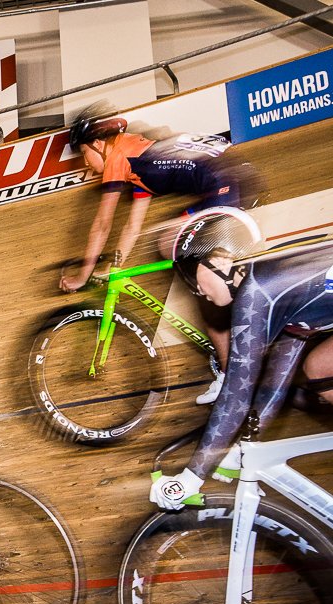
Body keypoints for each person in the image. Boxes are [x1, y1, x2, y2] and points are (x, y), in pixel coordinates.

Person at [60, 102, 260, 404]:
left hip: (226, 185)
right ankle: (235, 303)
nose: (85, 163)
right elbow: (132, 226)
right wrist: (114, 266)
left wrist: (83, 275)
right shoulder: (135, 160)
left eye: (84, 154)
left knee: (191, 266)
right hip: (229, 180)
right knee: (170, 244)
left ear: (98, 144)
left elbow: (102, 225)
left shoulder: (118, 157)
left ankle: (231, 370)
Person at [149, 212, 333, 510]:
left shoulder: (258, 293)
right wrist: (243, 446)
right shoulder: (272, 279)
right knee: (319, 366)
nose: (196, 290)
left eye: (191, 275)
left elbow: (237, 392)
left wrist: (191, 477)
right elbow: (275, 383)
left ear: (221, 260)